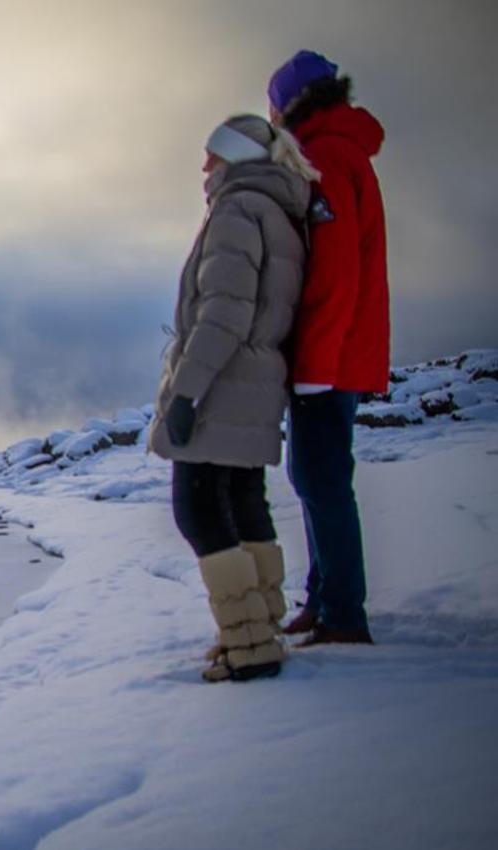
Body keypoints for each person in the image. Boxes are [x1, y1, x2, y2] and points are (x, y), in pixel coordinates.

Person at [147, 114, 319, 682]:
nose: (203, 167)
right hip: (257, 383)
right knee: (244, 503)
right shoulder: (279, 212)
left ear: (236, 158)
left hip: (224, 384)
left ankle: (248, 647)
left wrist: (186, 393)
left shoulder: (238, 211)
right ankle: (258, 631)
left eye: (212, 155)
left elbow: (223, 313)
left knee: (197, 508)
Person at [268, 50, 388, 646]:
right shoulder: (339, 151)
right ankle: (324, 597)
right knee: (314, 475)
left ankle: (342, 611)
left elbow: (335, 273)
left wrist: (313, 367)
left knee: (322, 480)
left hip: (330, 360)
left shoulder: (325, 158)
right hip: (338, 355)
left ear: (291, 103)